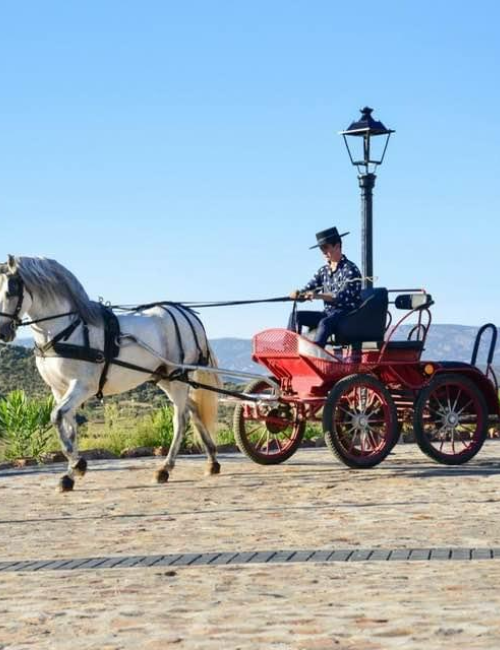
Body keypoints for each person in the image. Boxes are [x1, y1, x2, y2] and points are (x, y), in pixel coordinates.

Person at [289, 227, 362, 348]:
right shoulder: (323, 271)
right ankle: (289, 349)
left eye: (325, 247)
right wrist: (298, 295)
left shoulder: (351, 270)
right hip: (329, 314)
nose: (323, 252)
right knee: (296, 317)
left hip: (347, 315)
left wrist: (316, 295)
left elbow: (339, 297)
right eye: (321, 249)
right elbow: (309, 289)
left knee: (325, 323)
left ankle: (315, 353)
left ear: (337, 246)